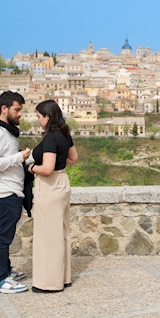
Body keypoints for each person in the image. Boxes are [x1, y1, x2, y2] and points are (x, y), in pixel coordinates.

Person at [27, 100, 78, 293]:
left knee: (48, 236)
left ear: (47, 117)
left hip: (49, 187)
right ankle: (64, 278)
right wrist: (57, 161)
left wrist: (31, 167)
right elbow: (73, 159)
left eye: (39, 116)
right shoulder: (65, 135)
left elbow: (47, 169)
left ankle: (49, 283)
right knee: (62, 232)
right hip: (63, 183)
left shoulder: (49, 139)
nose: (38, 120)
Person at [0, 91, 31, 294]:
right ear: (4, 109)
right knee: (3, 238)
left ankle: (6, 271)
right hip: (5, 193)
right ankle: (3, 279)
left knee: (5, 236)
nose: (20, 114)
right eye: (17, 110)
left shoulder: (8, 132)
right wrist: (19, 157)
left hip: (12, 192)